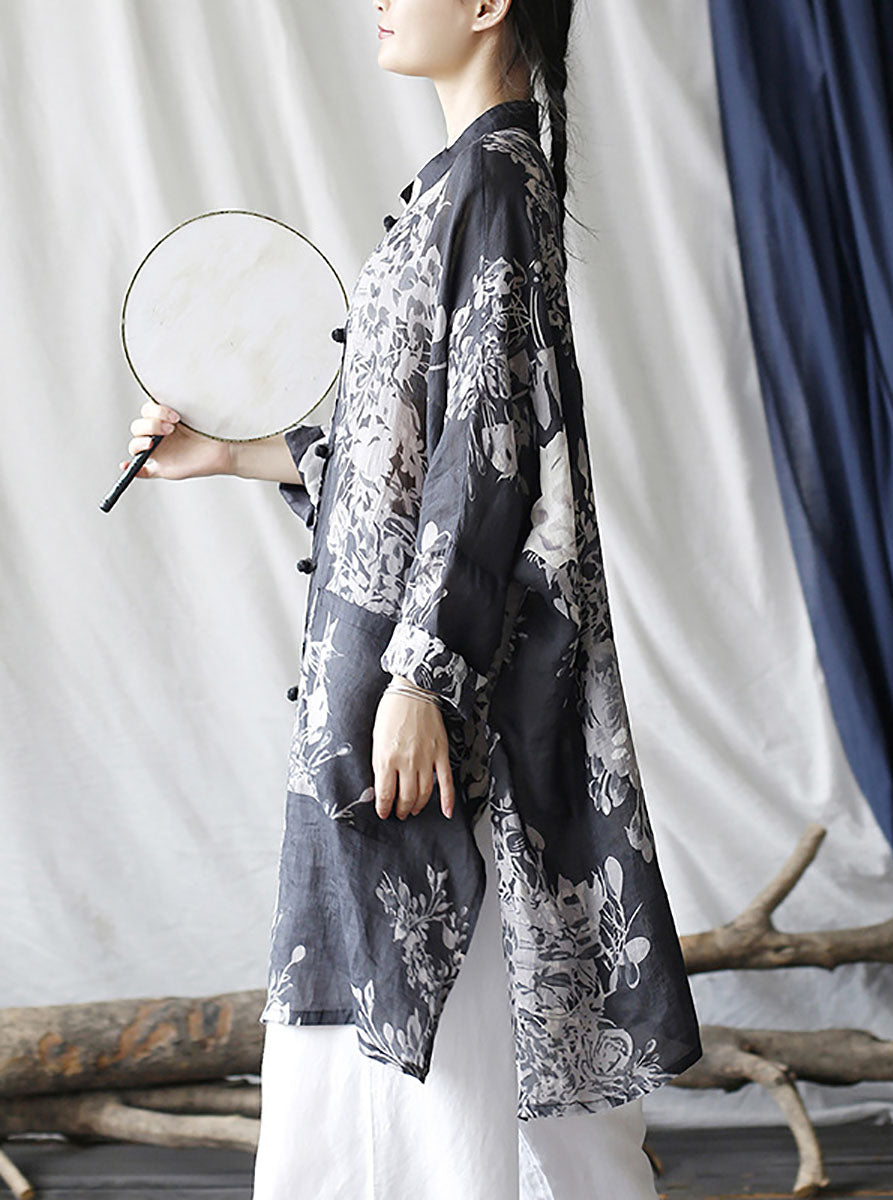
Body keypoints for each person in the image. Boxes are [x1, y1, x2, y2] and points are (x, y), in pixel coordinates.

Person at [122, 1, 703, 1195]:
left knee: (445, 1055)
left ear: (487, 4)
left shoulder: (490, 184)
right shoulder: (462, 186)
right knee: (443, 1045)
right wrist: (229, 453)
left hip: (443, 708)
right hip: (401, 684)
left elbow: (484, 457)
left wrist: (423, 676)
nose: (378, 0)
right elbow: (404, 454)